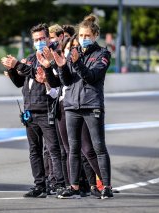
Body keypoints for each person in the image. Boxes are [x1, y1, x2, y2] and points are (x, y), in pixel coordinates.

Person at [52, 14, 113, 199]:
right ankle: (74, 186)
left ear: (95, 36)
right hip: (71, 105)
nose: (83, 39)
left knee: (98, 147)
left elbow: (92, 77)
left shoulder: (102, 54)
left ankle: (107, 186)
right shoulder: (73, 53)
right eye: (81, 36)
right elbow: (67, 81)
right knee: (73, 147)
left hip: (92, 105)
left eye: (87, 36)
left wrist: (77, 62)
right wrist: (62, 66)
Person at [0, 23, 64, 198]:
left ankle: (59, 184)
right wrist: (12, 69)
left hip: (46, 110)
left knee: (53, 150)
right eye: (36, 39)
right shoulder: (29, 58)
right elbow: (20, 83)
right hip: (29, 112)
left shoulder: (52, 57)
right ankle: (39, 186)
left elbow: (37, 75)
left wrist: (18, 66)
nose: (40, 42)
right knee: (34, 151)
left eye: (42, 38)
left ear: (48, 38)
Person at [37, 32, 103, 199]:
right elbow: (55, 85)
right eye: (66, 49)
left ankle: (102, 183)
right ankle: (72, 185)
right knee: (68, 150)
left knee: (88, 149)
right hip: (64, 107)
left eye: (72, 48)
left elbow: (86, 79)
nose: (69, 51)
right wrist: (47, 68)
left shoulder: (78, 64)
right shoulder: (61, 65)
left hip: (82, 106)